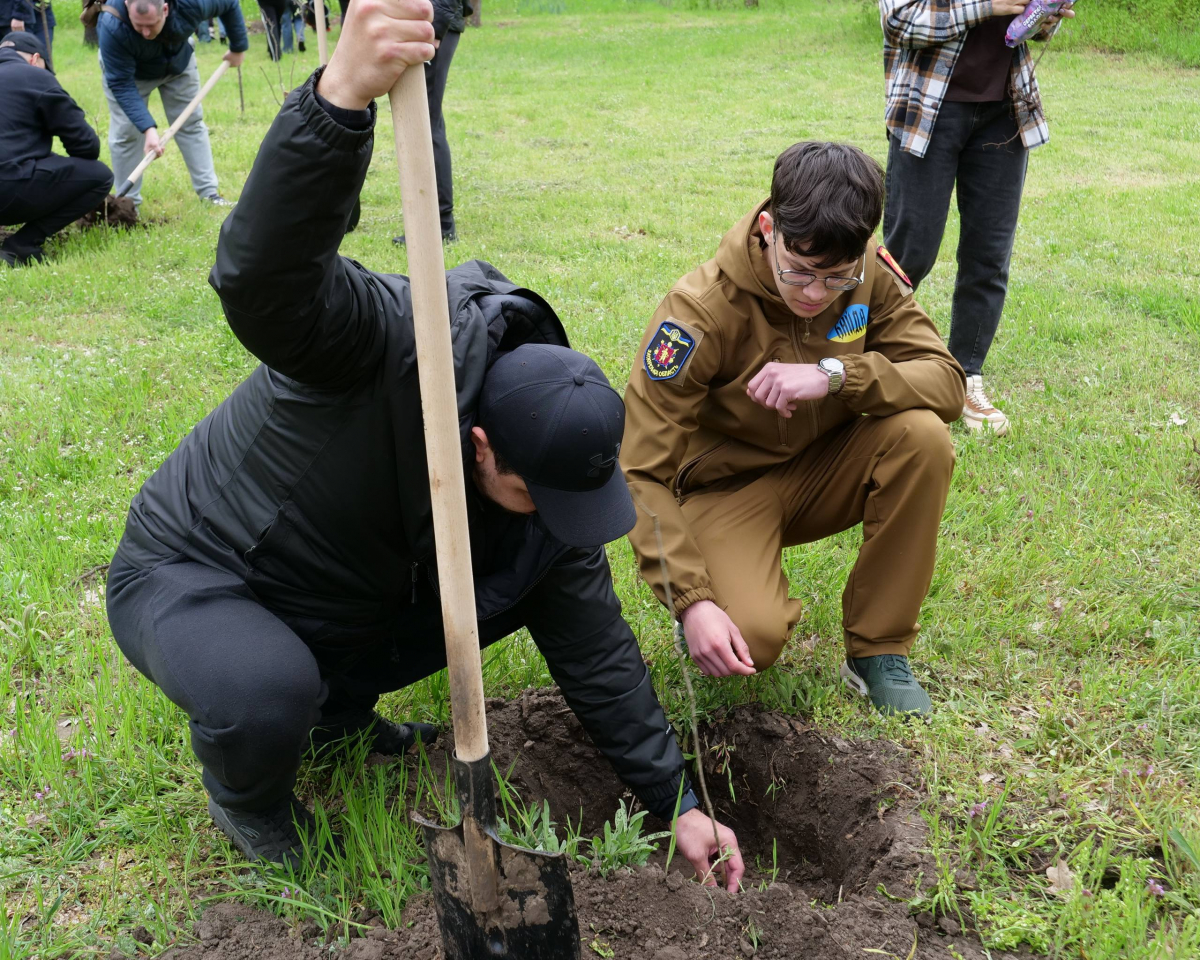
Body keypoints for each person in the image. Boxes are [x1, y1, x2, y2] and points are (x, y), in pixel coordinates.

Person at [105, 0, 744, 890]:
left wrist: (677, 802)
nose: (555, 520)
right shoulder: (389, 345)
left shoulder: (550, 468)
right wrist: (337, 100)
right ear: (482, 448)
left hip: (340, 581)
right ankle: (252, 799)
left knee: (497, 585)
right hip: (201, 571)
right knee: (266, 691)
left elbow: (596, 654)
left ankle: (336, 712)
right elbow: (262, 282)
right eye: (537, 499)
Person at [620, 142, 966, 717]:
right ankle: (719, 599)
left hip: (824, 468)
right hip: (725, 491)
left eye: (835, 279)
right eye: (799, 271)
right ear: (768, 229)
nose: (814, 294)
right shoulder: (698, 313)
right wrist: (691, 599)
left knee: (923, 437)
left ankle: (878, 650)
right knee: (751, 641)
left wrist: (837, 375)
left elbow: (947, 383)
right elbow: (639, 473)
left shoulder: (868, 273)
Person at [877, 0, 1074, 436]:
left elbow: (1023, 30)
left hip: (1005, 109)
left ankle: (965, 379)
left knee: (989, 257)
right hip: (928, 109)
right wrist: (989, 5)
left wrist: (1043, 17)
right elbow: (898, 21)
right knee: (909, 253)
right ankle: (871, 364)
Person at [97, 0, 248, 206]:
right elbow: (121, 84)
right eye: (138, 25)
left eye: (151, 24)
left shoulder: (192, 3)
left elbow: (229, 3)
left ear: (165, 9)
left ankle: (209, 194)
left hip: (177, 63)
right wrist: (148, 128)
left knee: (191, 123)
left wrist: (238, 47)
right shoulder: (112, 24)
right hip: (131, 75)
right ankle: (127, 205)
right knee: (127, 134)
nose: (146, 33)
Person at [0, 32, 113, 267]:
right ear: (35, 59)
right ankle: (21, 246)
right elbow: (86, 147)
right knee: (100, 176)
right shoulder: (35, 76)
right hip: (7, 191)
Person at [392, 0, 472, 245]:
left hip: (434, 21)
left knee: (426, 119)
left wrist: (435, 28)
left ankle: (441, 223)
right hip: (422, 20)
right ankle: (432, 217)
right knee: (424, 117)